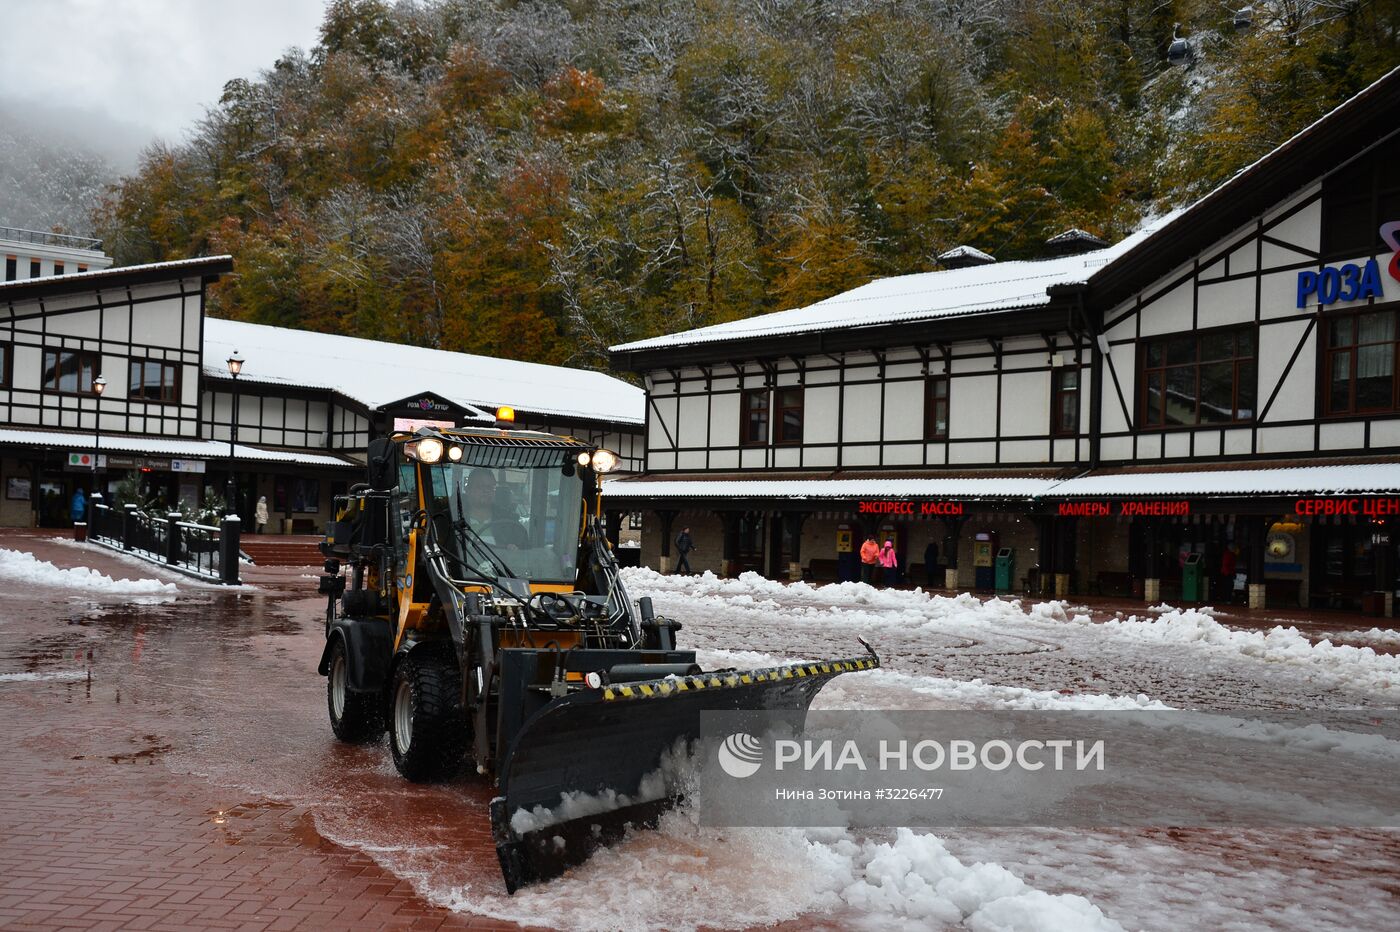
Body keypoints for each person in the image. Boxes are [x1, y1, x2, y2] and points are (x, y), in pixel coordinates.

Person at [464, 468, 527, 549]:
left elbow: (525, 553)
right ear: (468, 489)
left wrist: (515, 550)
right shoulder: (454, 519)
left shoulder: (510, 522)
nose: (486, 490)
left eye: (490, 487)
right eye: (480, 486)